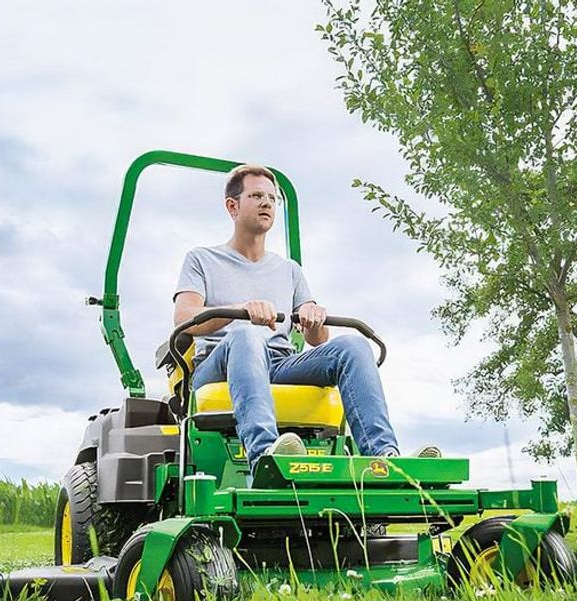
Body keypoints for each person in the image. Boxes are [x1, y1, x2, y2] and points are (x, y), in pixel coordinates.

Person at [172, 164, 405, 473]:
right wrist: (240, 311)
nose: (266, 202)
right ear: (233, 205)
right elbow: (184, 318)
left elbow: (316, 341)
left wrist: (315, 319)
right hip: (220, 364)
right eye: (256, 195)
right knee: (246, 335)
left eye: (272, 197)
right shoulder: (202, 259)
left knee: (353, 345)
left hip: (280, 363)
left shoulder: (289, 270)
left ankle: (384, 458)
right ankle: (265, 456)